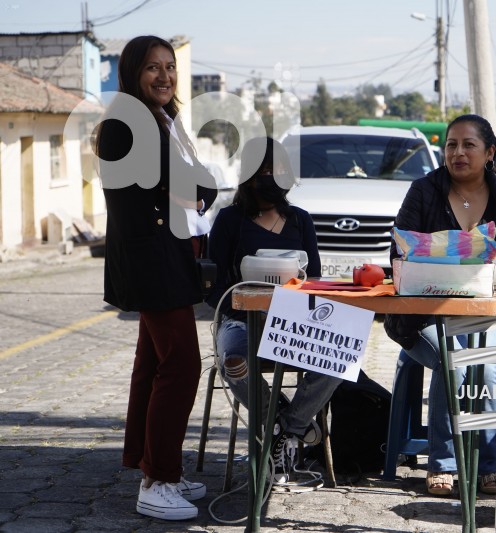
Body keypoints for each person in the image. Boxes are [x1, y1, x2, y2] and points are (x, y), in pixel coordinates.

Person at [95, 36, 218, 520]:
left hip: (166, 255)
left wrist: (192, 185)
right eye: (152, 68)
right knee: (182, 367)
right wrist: (194, 185)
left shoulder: (162, 120)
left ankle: (151, 465)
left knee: (152, 365)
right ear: (131, 73)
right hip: (151, 262)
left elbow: (196, 182)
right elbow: (198, 183)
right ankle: (157, 480)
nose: (164, 76)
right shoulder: (128, 123)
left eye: (170, 67)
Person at [384, 114, 496, 496]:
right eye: (452, 144)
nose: (458, 152)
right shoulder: (423, 191)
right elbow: (397, 253)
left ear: (489, 153)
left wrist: (472, 270)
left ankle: (487, 466)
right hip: (424, 317)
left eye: (468, 145)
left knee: (485, 371)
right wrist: (453, 263)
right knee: (455, 363)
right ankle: (444, 464)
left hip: (487, 313)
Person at [205, 135, 342, 483]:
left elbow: (314, 279)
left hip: (295, 321)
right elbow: (213, 288)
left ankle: (286, 432)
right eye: (263, 170)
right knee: (234, 363)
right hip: (239, 320)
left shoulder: (300, 221)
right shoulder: (229, 221)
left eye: (278, 169)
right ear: (248, 175)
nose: (271, 177)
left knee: (339, 355)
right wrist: (247, 300)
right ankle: (283, 419)